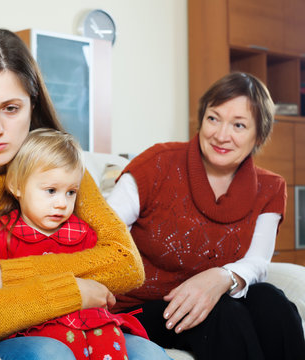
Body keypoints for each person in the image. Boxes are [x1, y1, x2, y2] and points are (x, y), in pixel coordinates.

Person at [0, 28, 169, 360]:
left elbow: (126, 265)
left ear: (32, 104)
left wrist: (8, 275)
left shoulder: (57, 164)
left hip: (67, 324)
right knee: (49, 353)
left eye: (10, 108)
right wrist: (72, 291)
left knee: (148, 355)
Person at [107, 72, 305, 360]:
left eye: (239, 125)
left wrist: (220, 277)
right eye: (213, 118)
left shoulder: (270, 187)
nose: (221, 135)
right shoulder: (156, 164)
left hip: (217, 298)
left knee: (271, 301)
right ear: (201, 119)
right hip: (139, 307)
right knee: (223, 314)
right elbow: (104, 232)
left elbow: (257, 261)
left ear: (259, 134)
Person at [0, 128, 153, 360]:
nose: (61, 203)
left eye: (70, 192)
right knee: (58, 343)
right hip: (28, 327)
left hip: (89, 325)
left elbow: (103, 290)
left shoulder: (86, 237)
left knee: (112, 335)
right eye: (51, 191)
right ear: (16, 186)